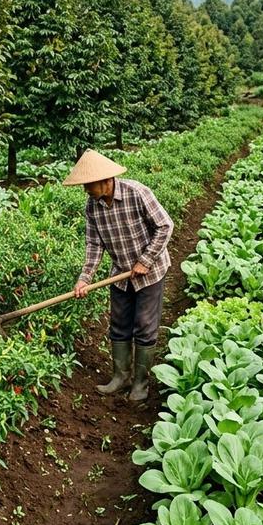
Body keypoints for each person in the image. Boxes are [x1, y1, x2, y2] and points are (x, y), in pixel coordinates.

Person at [65, 149, 173, 402]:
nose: (86, 190)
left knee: (145, 328)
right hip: (120, 274)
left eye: (88, 185)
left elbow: (165, 226)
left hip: (151, 272)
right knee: (119, 325)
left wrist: (145, 261)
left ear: (105, 180)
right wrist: (85, 278)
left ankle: (140, 384)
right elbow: (94, 244)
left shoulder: (137, 193)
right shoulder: (92, 206)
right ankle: (120, 377)